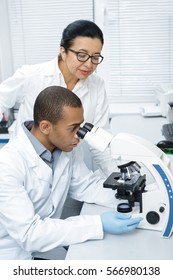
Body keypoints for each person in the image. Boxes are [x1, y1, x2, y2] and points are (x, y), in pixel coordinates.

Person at [0, 86, 142, 260]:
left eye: (80, 126)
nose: (79, 135)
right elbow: (30, 234)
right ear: (45, 127)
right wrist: (98, 223)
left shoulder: (65, 148)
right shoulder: (7, 164)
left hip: (47, 248)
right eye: (73, 128)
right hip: (12, 255)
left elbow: (86, 186)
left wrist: (136, 198)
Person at [0, 20, 117, 217]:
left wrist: (118, 177)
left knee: (60, 224)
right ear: (63, 51)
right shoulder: (32, 75)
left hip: (68, 166)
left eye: (96, 58)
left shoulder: (96, 85)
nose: (89, 64)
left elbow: (100, 140)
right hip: (28, 167)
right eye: (81, 55)